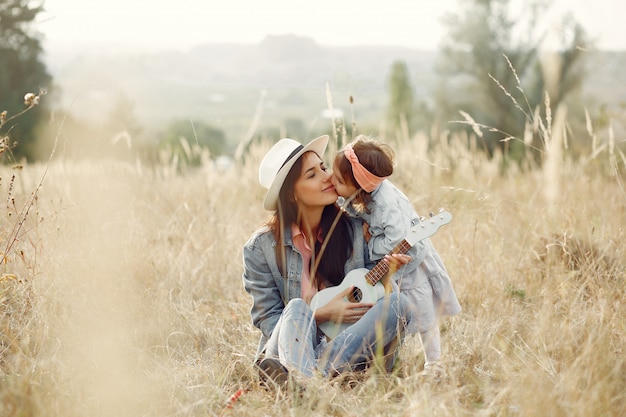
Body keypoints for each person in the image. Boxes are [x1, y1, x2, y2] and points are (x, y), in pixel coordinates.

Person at [241, 134, 413, 387]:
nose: (327, 177)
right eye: (312, 175)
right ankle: (308, 378)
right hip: (291, 344)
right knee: (297, 307)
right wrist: (318, 315)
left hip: (346, 343)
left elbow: (368, 290)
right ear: (291, 195)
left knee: (398, 303)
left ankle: (303, 381)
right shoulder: (260, 248)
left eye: (323, 167)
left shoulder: (355, 228)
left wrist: (388, 272)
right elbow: (268, 320)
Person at [330, 134, 461, 378]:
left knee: (423, 312)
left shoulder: (389, 206)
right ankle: (387, 362)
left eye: (338, 180)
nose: (332, 181)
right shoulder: (366, 193)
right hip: (394, 265)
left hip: (412, 264)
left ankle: (435, 364)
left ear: (359, 186)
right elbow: (355, 210)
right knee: (395, 312)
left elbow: (395, 240)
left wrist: (371, 241)